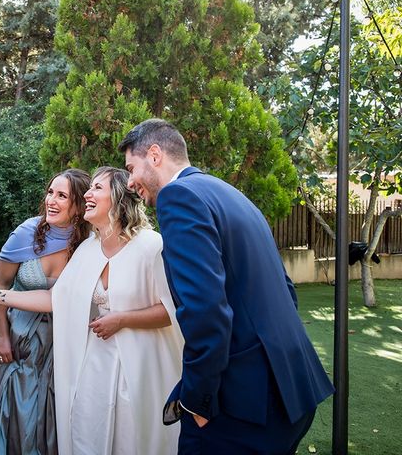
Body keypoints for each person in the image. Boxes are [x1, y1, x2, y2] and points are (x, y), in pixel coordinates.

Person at [118, 118, 335, 455]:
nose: (130, 182)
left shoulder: (179, 197)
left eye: (131, 167)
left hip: (242, 405)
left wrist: (199, 401)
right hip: (292, 388)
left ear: (156, 154)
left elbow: (205, 310)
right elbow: (286, 289)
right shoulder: (230, 194)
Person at [0, 167, 183, 455]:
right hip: (95, 364)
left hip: (139, 366)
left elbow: (172, 311)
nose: (88, 193)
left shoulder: (151, 246)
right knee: (90, 436)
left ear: (119, 197)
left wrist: (122, 320)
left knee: (134, 439)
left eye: (97, 188)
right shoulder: (88, 249)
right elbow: (54, 299)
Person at [0, 168, 91, 455]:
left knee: (53, 409)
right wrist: (3, 337)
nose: (51, 201)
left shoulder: (86, 244)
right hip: (18, 337)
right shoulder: (25, 234)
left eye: (62, 196)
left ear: (79, 204)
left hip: (62, 341)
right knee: (18, 405)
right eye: (50, 192)